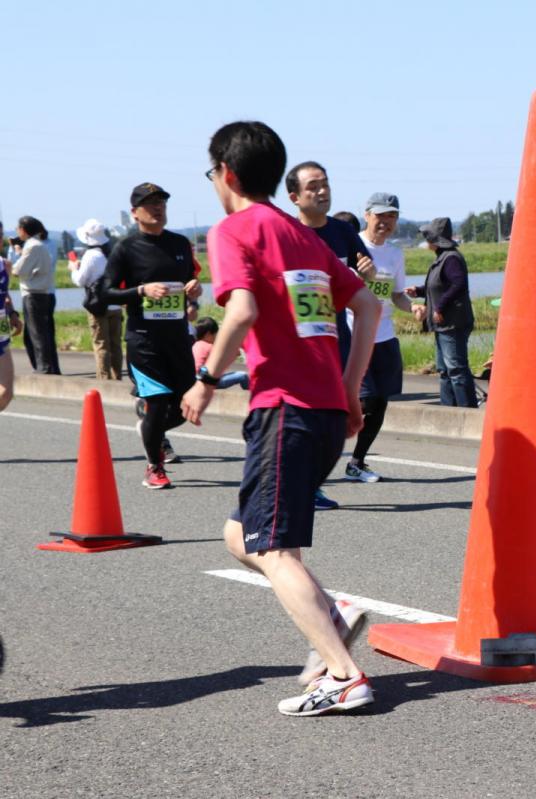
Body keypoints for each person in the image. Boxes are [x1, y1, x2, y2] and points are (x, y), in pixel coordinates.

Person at [183, 120, 380, 716]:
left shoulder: (234, 229)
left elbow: (239, 309)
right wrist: (349, 390)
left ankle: (344, 675)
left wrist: (207, 380)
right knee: (239, 533)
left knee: (271, 548)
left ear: (228, 174)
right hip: (322, 408)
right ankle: (333, 614)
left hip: (283, 409)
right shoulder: (302, 236)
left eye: (212, 173)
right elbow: (367, 306)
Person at [285, 161, 376, 509]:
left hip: (337, 336)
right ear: (294, 197)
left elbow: (362, 280)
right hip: (298, 344)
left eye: (325, 184)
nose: (322, 191)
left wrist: (365, 273)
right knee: (309, 418)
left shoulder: (343, 232)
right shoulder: (289, 234)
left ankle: (310, 483)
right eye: (313, 186)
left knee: (336, 417)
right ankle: (300, 486)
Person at [99, 184, 202, 489]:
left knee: (185, 406)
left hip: (178, 337)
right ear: (135, 213)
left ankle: (150, 429)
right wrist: (141, 290)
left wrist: (193, 294)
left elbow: (189, 284)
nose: (158, 208)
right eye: (150, 203)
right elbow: (104, 293)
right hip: (144, 339)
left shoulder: (180, 244)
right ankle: (154, 466)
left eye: (161, 203)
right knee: (157, 402)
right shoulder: (126, 248)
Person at [343, 193, 414, 482]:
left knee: (381, 400)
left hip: (384, 336)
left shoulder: (395, 254)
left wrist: (414, 308)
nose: (386, 222)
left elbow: (396, 295)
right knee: (366, 398)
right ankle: (323, 450)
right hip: (353, 333)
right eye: (381, 215)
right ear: (367, 214)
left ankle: (357, 462)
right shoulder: (352, 246)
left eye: (392, 216)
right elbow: (340, 292)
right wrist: (364, 279)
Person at [407, 218, 476, 407]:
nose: (426, 240)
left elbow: (457, 285)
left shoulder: (451, 257)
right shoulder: (443, 257)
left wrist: (439, 307)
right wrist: (419, 291)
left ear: (434, 239)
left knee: (456, 369)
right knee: (445, 370)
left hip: (452, 322)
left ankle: (467, 411)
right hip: (443, 324)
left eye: (427, 236)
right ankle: (448, 411)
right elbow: (439, 285)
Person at [71, 219, 123, 380]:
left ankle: (104, 379)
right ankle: (117, 376)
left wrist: (73, 269)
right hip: (116, 305)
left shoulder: (91, 256)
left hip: (98, 306)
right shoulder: (112, 253)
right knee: (116, 344)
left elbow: (80, 280)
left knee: (101, 344)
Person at [11, 216, 60, 375]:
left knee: (36, 334)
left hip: (33, 294)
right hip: (43, 293)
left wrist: (18, 254)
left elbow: (18, 270)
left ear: (23, 230)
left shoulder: (32, 247)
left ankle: (43, 368)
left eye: (18, 228)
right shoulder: (41, 245)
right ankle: (48, 367)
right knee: (43, 333)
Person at [193, 317, 249, 389]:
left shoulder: (196, 345)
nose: (216, 336)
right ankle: (250, 395)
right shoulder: (209, 346)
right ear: (208, 334)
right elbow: (236, 353)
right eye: (215, 334)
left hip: (196, 378)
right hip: (207, 381)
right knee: (243, 376)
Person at [0, 246, 24, 411]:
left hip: (1, 324)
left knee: (6, 392)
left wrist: (13, 313)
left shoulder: (5, 264)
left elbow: (4, 293)